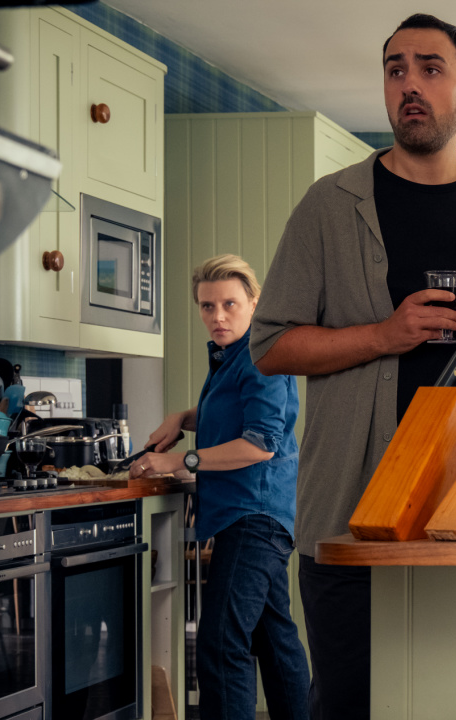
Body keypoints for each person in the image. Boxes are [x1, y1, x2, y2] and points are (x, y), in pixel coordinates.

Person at [249, 13, 456, 720]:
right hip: (353, 512)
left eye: (430, 68)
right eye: (396, 70)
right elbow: (270, 344)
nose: (409, 86)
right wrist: (382, 334)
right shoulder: (329, 207)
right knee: (350, 703)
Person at [134, 254, 307, 720]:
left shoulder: (260, 357)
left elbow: (260, 444)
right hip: (257, 514)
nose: (218, 316)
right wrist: (183, 418)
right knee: (274, 639)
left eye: (229, 303)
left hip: (254, 517)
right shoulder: (232, 357)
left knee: (220, 642)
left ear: (254, 302)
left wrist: (180, 459)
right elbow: (230, 413)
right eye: (207, 306)